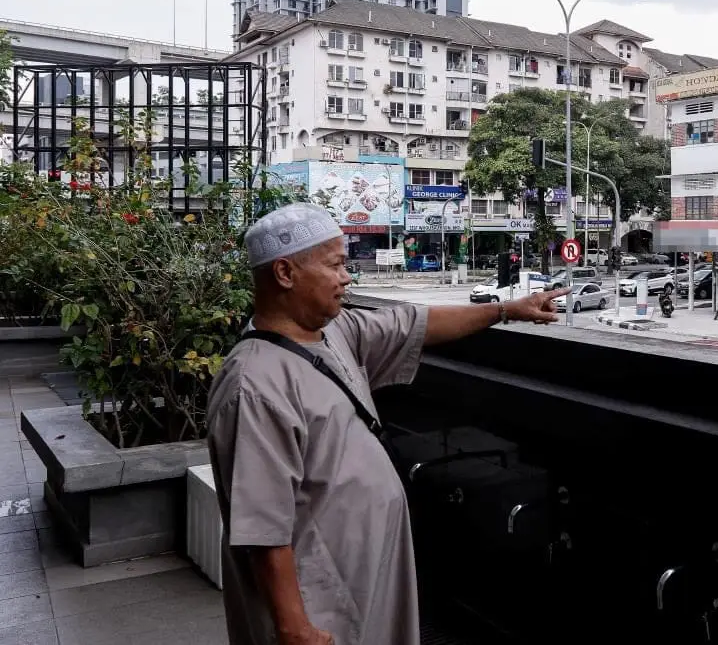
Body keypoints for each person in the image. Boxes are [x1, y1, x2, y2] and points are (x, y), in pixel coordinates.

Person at [206, 203, 569, 645]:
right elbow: (262, 525)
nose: (347, 277)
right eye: (336, 264)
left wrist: (506, 310)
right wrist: (293, 627)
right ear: (285, 273)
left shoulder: (336, 333)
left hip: (363, 577)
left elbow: (416, 323)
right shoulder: (254, 385)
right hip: (319, 599)